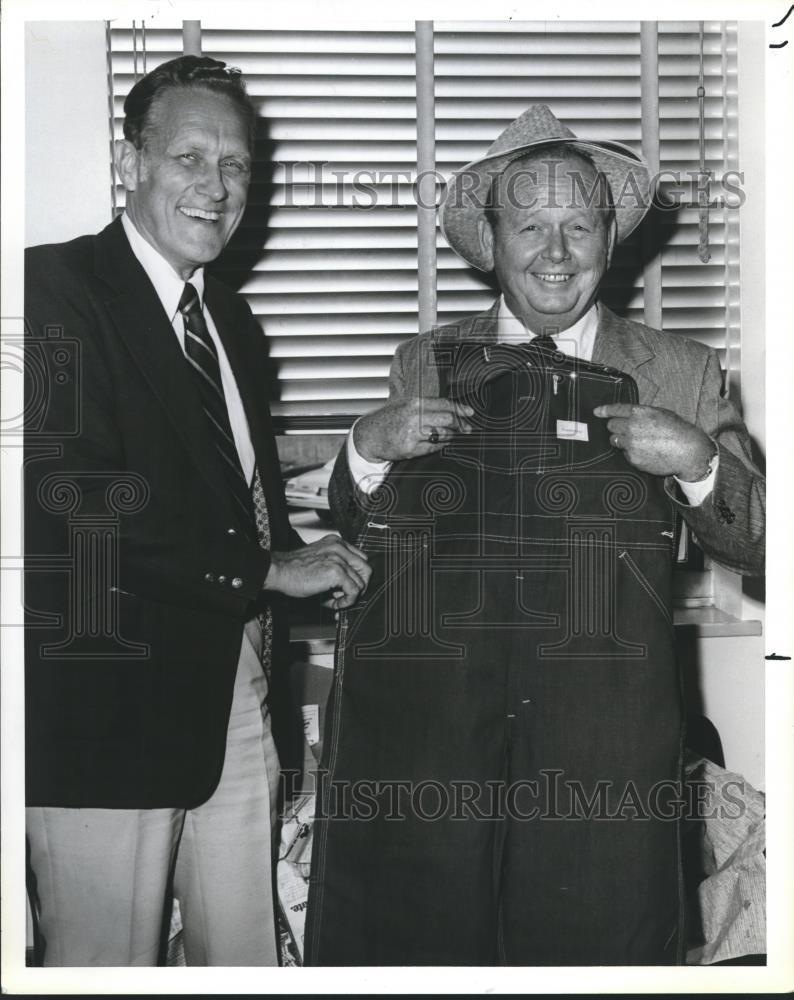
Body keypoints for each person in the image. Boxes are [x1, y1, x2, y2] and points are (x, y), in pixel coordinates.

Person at [304, 105, 764, 965]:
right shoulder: (424, 360)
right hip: (445, 727)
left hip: (605, 731)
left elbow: (762, 542)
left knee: (603, 937)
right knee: (432, 939)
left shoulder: (683, 368)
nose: (556, 253)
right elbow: (356, 539)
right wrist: (365, 450)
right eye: (531, 226)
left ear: (610, 237)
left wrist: (699, 461)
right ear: (494, 237)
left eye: (579, 225)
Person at [24, 55, 371, 967]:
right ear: (131, 162)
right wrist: (263, 570)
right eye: (189, 159)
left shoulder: (235, 325)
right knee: (105, 966)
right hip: (106, 712)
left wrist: (323, 560)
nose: (217, 188)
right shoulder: (46, 292)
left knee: (247, 961)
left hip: (243, 691)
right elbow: (69, 492)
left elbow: (236, 498)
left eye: (237, 166)